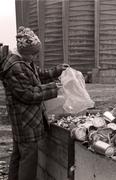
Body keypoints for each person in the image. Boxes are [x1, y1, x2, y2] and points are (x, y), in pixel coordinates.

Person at [0, 26, 69, 180]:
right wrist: (54, 89)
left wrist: (58, 70)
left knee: (18, 154)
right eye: (34, 54)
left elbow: (39, 74)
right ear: (25, 51)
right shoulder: (15, 66)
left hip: (25, 119)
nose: (35, 57)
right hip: (24, 119)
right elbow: (28, 94)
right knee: (28, 159)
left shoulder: (24, 61)